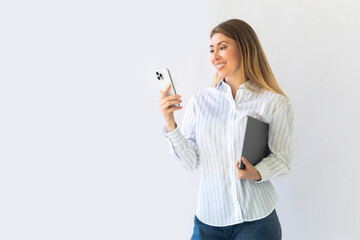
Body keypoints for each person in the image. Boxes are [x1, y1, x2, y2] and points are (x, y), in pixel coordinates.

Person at [158, 19, 294, 240]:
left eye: (222, 47)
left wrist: (258, 173)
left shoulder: (274, 103)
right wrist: (170, 122)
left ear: (245, 48)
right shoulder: (200, 102)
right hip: (208, 223)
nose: (214, 57)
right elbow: (190, 162)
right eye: (212, 50)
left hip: (257, 222)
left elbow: (281, 160)